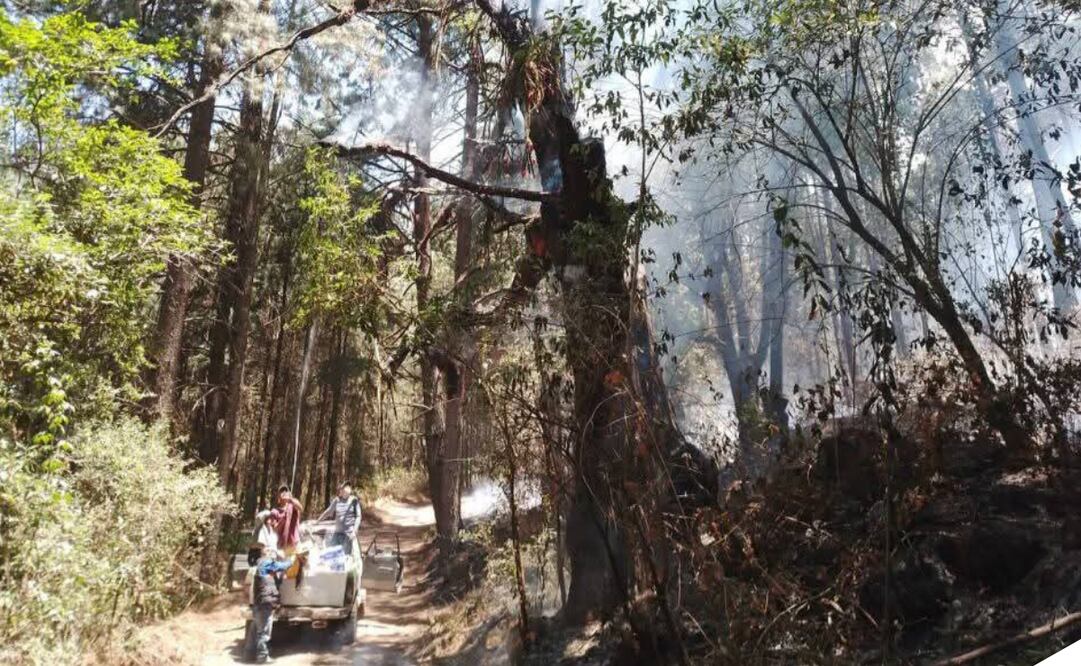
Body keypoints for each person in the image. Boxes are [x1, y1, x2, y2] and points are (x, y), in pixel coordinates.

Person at [248, 542, 292, 664]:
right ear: (264, 554)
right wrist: (291, 559)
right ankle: (262, 658)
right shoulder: (266, 563)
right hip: (264, 604)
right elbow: (283, 566)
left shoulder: (259, 564)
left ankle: (248, 654)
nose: (271, 553)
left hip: (258, 603)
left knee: (255, 630)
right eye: (269, 551)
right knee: (264, 632)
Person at [318, 482, 361, 555]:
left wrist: (355, 530)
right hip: (337, 533)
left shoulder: (354, 500)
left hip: (348, 534)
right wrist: (318, 520)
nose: (341, 491)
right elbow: (328, 511)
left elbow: (358, 516)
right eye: (342, 489)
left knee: (346, 556)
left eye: (343, 489)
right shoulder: (337, 500)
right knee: (333, 554)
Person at [273, 485, 303, 555]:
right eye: (281, 491)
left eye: (285, 491)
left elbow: (300, 508)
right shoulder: (275, 511)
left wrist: (290, 499)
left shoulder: (293, 506)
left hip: (295, 543)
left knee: (296, 565)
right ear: (278, 496)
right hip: (282, 545)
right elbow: (275, 529)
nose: (284, 493)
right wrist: (284, 517)